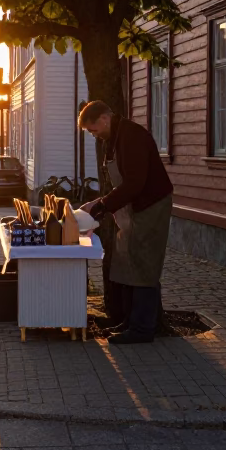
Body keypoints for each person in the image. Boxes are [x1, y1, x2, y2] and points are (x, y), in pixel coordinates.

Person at [79, 100, 173, 345]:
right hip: (133, 208)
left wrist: (100, 206)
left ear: (104, 118)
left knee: (143, 265)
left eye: (93, 129)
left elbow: (134, 184)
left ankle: (142, 329)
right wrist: (100, 203)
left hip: (150, 206)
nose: (93, 135)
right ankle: (129, 321)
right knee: (125, 262)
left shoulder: (131, 137)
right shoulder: (114, 138)